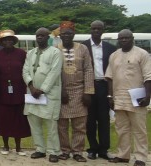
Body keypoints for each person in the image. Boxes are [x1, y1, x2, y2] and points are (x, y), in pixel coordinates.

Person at [106, 29, 151, 166]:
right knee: (121, 128)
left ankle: (141, 157)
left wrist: (148, 95)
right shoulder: (114, 55)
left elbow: (148, 76)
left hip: (137, 97)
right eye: (121, 38)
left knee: (139, 129)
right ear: (118, 40)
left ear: (132, 38)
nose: (123, 40)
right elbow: (109, 77)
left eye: (126, 38)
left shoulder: (142, 54)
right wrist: (109, 96)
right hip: (119, 96)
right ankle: (123, 155)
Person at [22, 27, 62, 163]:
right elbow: (25, 70)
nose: (39, 38)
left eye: (42, 36)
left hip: (49, 94)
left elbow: (54, 72)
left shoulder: (55, 52)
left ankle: (53, 151)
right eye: (37, 36)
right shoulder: (31, 53)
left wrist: (42, 89)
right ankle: (40, 149)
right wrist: (32, 87)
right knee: (34, 122)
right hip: (32, 94)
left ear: (48, 37)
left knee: (51, 123)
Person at [57, 21, 94, 162]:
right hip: (62, 92)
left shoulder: (83, 48)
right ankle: (65, 151)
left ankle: (78, 152)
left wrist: (88, 92)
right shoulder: (55, 49)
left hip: (80, 91)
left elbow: (89, 70)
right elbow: (54, 73)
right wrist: (61, 91)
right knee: (62, 125)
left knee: (79, 125)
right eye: (64, 33)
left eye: (69, 33)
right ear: (60, 35)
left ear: (74, 35)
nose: (66, 36)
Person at [82, 20, 116, 160]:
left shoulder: (110, 48)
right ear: (90, 29)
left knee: (104, 119)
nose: (96, 31)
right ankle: (92, 149)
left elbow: (113, 70)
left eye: (99, 29)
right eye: (94, 28)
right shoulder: (82, 46)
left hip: (104, 85)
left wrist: (110, 93)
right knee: (89, 120)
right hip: (88, 86)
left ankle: (104, 149)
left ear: (103, 30)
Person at [0, 29, 31, 156]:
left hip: (19, 91)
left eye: (10, 39)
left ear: (13, 41)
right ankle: (5, 146)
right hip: (2, 92)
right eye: (5, 40)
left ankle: (19, 147)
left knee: (18, 119)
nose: (8, 41)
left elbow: (27, 71)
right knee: (4, 119)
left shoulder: (22, 54)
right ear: (1, 42)